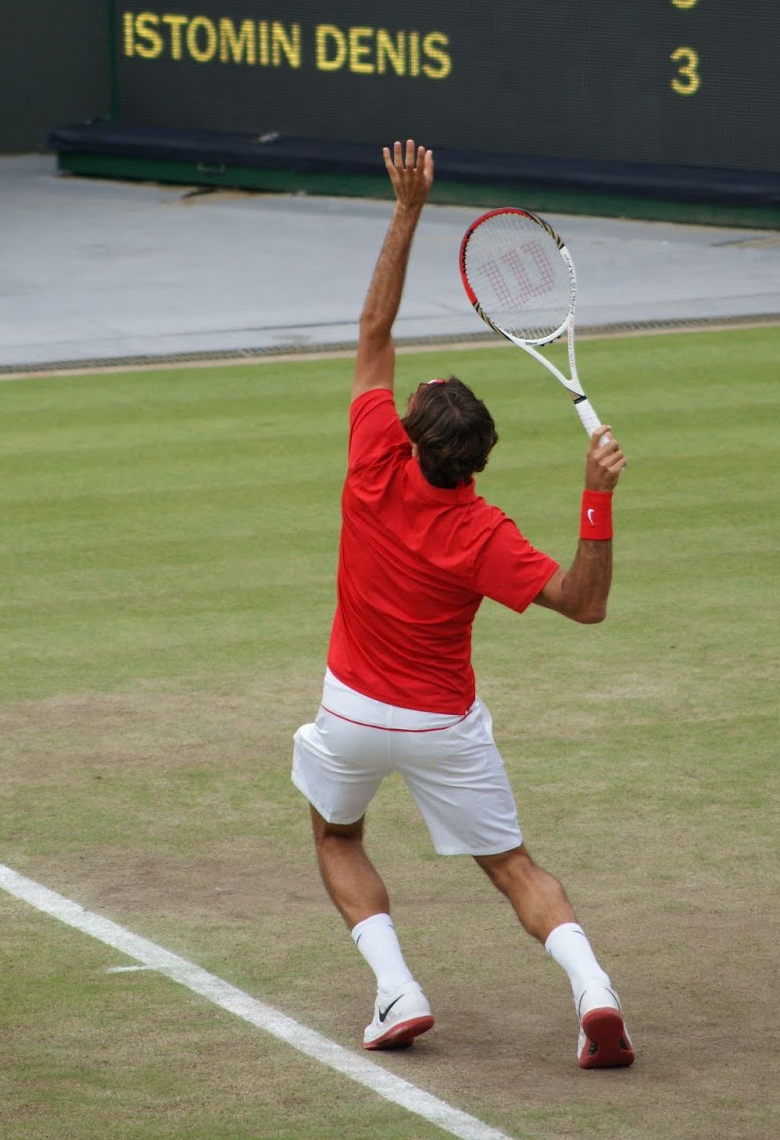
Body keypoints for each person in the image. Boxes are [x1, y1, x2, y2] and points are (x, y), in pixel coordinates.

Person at [291, 140, 633, 1070]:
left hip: (354, 713)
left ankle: (397, 989)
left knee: (335, 834)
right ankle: (595, 992)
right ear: (474, 461)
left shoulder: (373, 458)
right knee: (515, 869)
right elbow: (584, 603)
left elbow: (373, 332)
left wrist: (407, 210)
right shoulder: (485, 534)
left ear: (413, 437)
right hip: (445, 725)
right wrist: (596, 494)